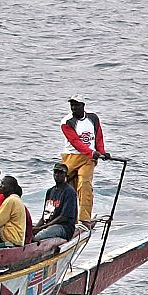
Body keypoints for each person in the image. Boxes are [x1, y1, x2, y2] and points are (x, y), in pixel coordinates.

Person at [60, 95, 110, 224]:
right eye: (72, 105)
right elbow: (75, 141)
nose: (74, 108)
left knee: (84, 184)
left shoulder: (93, 118)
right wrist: (92, 152)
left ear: (83, 105)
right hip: (71, 157)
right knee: (66, 187)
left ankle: (84, 219)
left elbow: (98, 137)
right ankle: (66, 216)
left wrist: (102, 152)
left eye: (76, 105)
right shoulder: (66, 122)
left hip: (88, 159)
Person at [34, 162, 79, 241]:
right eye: (55, 172)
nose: (57, 175)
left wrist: (41, 228)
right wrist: (35, 228)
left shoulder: (69, 192)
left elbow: (63, 217)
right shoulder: (50, 191)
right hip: (49, 225)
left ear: (65, 175)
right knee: (28, 235)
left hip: (64, 227)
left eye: (61, 172)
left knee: (38, 237)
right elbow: (45, 216)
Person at [0, 176, 26, 247]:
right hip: (17, 238)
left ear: (11, 188)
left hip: (11, 237)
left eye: (3, 184)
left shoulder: (11, 200)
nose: (0, 185)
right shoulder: (16, 199)